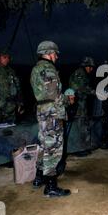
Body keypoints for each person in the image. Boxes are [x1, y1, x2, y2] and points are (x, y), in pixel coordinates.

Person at [30, 40, 73, 198]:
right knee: (53, 149)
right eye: (55, 53)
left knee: (43, 145)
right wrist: (68, 100)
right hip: (52, 114)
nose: (56, 56)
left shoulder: (36, 69)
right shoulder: (48, 69)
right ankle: (51, 187)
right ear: (49, 53)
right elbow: (54, 95)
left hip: (42, 111)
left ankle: (38, 178)